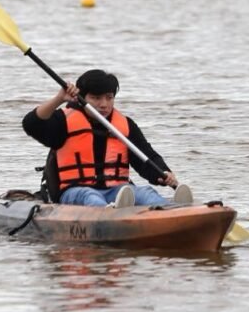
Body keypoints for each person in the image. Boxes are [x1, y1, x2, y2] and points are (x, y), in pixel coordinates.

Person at [23, 69, 181, 208]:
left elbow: (146, 156)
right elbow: (31, 124)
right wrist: (59, 99)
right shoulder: (63, 120)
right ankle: (110, 216)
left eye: (109, 97)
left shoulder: (125, 125)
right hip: (74, 191)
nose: (104, 104)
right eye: (96, 98)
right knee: (91, 197)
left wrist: (164, 173)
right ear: (81, 98)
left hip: (115, 190)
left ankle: (173, 211)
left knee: (145, 193)